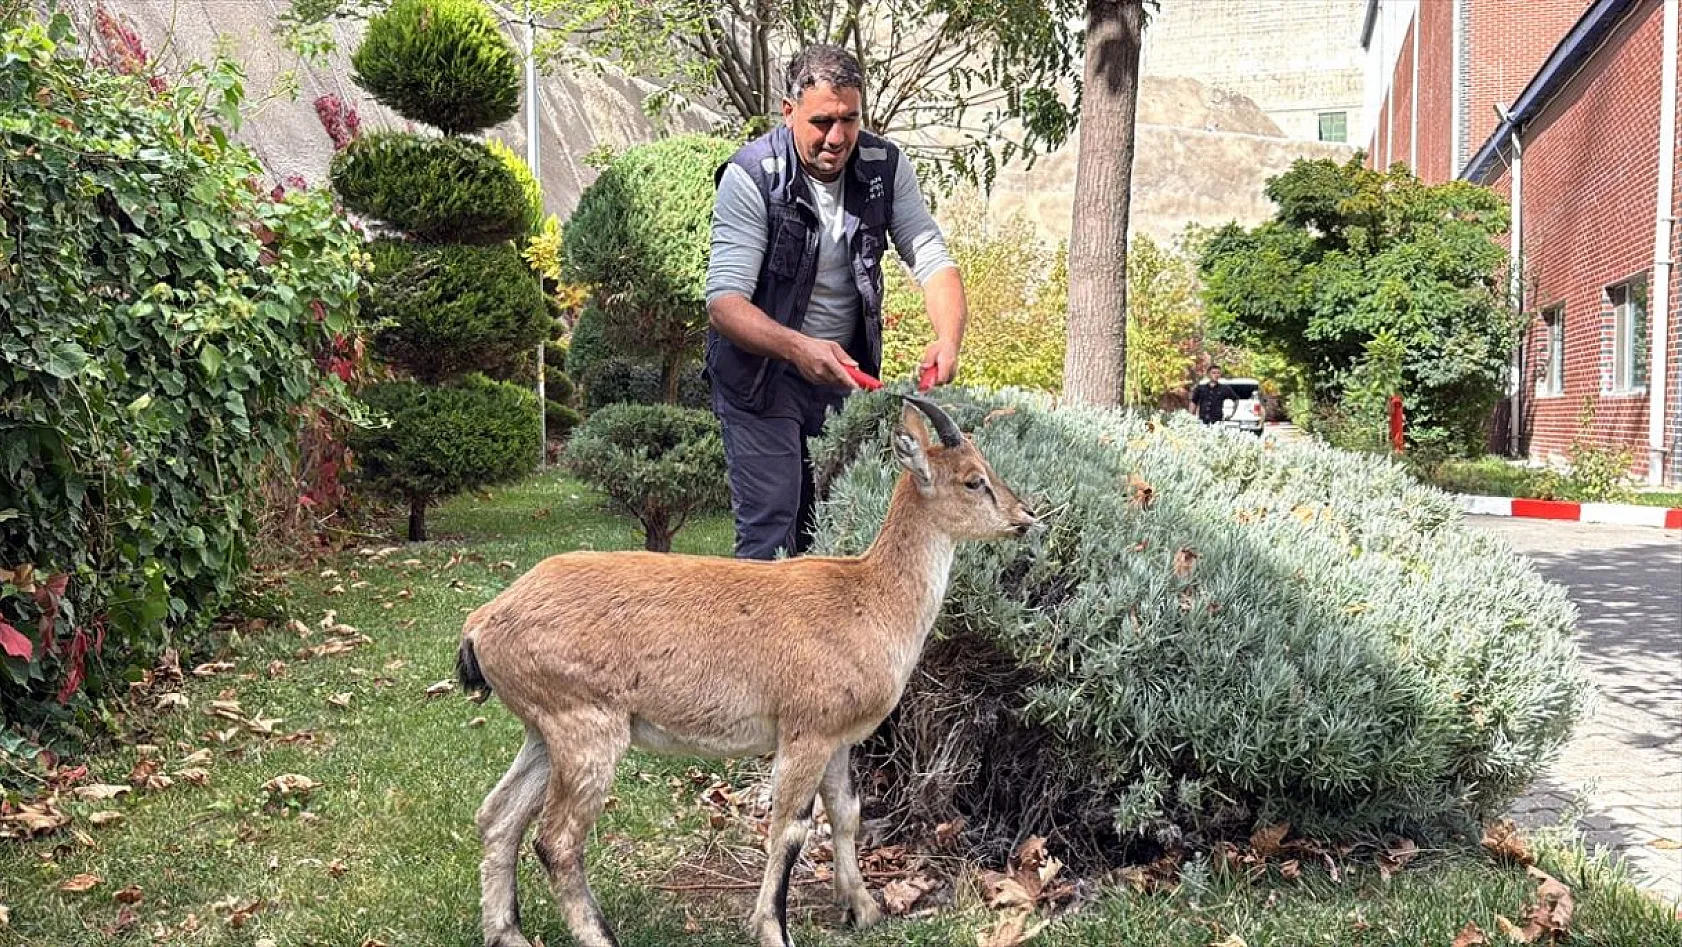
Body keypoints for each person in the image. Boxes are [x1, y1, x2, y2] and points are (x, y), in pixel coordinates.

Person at [704, 44, 969, 560]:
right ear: (788, 112)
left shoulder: (884, 168)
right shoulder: (752, 176)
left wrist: (947, 338)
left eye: (850, 118)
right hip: (759, 379)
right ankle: (754, 641)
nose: (837, 137)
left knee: (833, 528)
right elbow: (724, 302)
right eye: (822, 121)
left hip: (842, 379)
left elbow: (933, 258)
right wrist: (800, 347)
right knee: (773, 527)